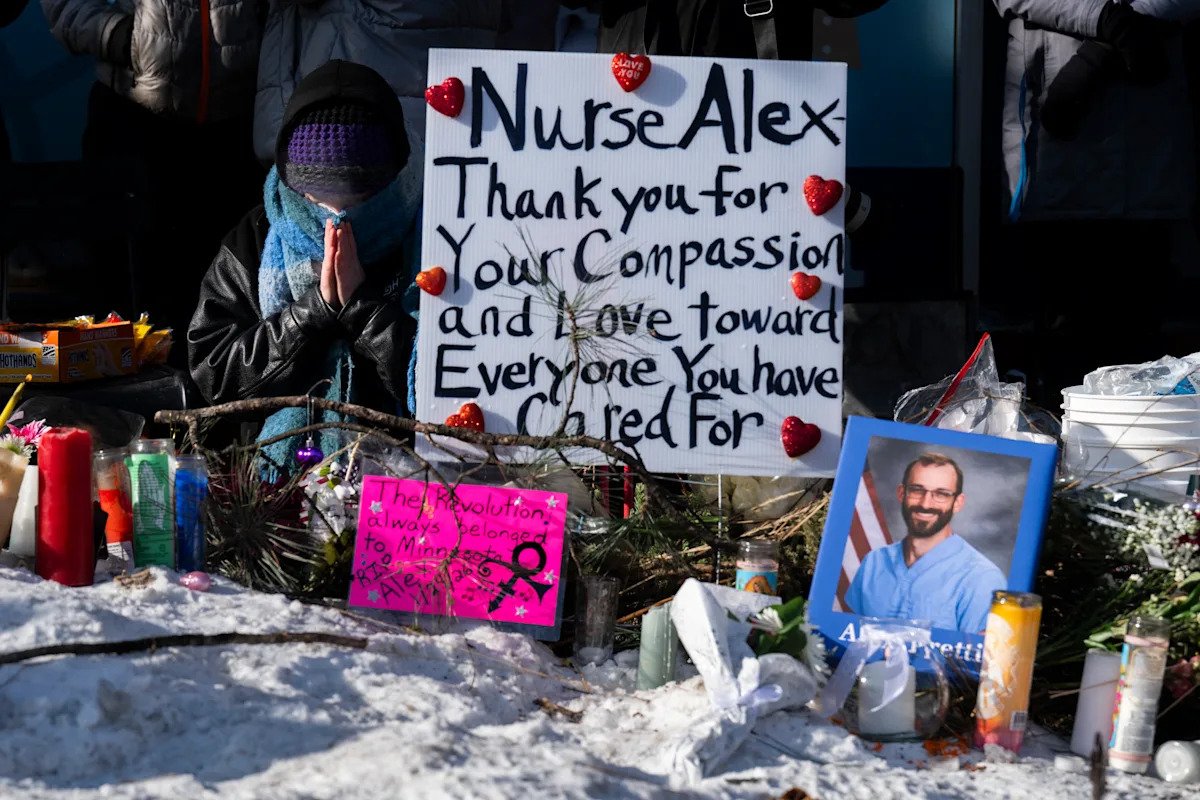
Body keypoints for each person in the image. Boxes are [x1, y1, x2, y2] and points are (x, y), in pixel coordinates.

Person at [188, 60, 418, 474]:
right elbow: (216, 373)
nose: (335, 215)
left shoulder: (423, 241)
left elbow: (449, 381)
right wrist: (313, 312)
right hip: (277, 486)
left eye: (356, 197)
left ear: (390, 181)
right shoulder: (256, 237)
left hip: (400, 481)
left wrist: (363, 309)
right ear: (293, 185)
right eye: (316, 197)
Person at [41, 0, 263, 349]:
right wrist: (119, 38)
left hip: (235, 123)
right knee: (126, 300)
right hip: (133, 112)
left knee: (227, 297)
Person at [844, 453, 1006, 633]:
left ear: (957, 503)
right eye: (917, 490)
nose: (926, 503)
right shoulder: (874, 562)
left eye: (941, 494)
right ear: (901, 493)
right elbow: (848, 634)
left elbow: (981, 657)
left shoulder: (982, 578)